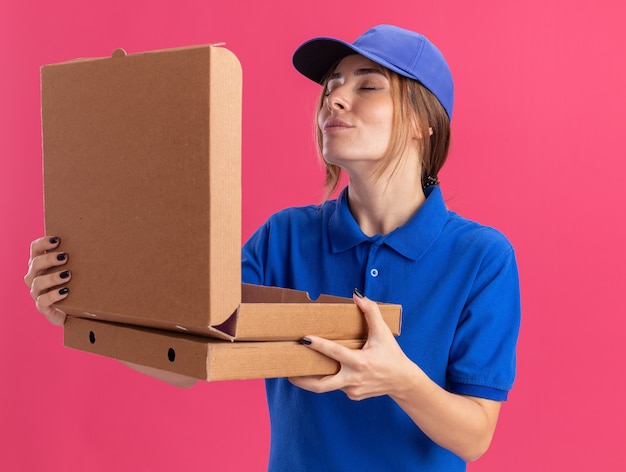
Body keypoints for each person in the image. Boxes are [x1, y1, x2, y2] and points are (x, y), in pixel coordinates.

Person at [25, 24, 521, 471]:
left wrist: (398, 379)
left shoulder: (482, 258)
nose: (336, 99)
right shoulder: (284, 237)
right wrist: (79, 314)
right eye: (331, 87)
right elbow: (189, 361)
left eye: (367, 86)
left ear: (423, 121)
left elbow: (475, 435)